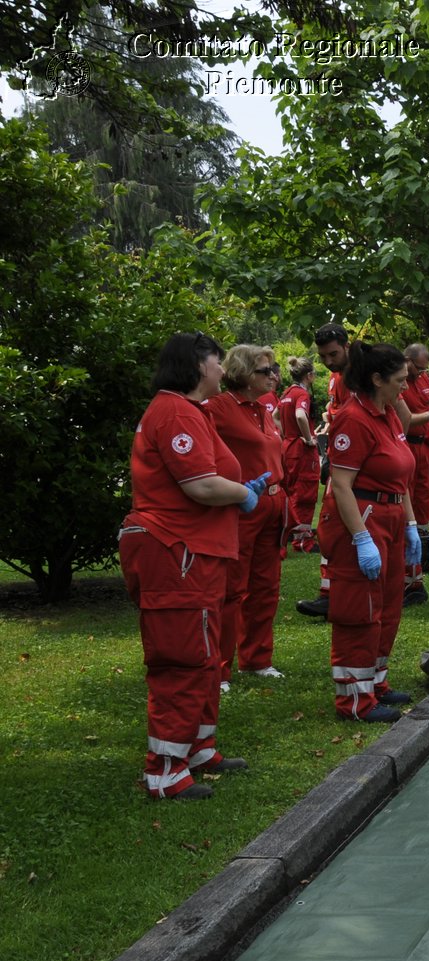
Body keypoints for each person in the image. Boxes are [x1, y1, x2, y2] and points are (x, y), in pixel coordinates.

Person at [121, 332, 267, 799]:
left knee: (204, 655)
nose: (223, 370)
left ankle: (197, 747)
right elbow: (201, 486)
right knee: (182, 658)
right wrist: (244, 493)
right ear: (196, 365)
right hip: (175, 553)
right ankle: (164, 771)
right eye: (216, 361)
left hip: (194, 553)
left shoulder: (191, 412)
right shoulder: (176, 412)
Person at [320, 341, 420, 723]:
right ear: (377, 379)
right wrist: (361, 538)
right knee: (360, 609)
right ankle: (354, 699)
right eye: (399, 381)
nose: (405, 388)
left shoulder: (387, 414)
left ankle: (376, 683)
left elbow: (400, 476)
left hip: (391, 516)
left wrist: (410, 524)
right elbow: (341, 484)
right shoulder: (353, 419)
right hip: (362, 518)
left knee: (389, 606)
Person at [209, 344, 292, 690]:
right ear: (242, 373)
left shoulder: (263, 409)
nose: (273, 376)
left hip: (273, 506)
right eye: (264, 370)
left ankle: (257, 659)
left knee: (266, 587)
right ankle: (220, 667)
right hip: (243, 507)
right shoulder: (217, 408)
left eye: (273, 370)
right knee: (232, 589)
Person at [295, 323, 354, 619]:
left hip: (356, 463)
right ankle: (331, 594)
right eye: (323, 357)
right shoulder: (336, 377)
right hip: (339, 457)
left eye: (333, 354)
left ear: (346, 345)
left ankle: (343, 594)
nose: (329, 361)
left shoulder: (360, 376)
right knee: (330, 528)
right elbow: (335, 415)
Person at [396, 343, 429, 605]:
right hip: (406, 443)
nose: (422, 373)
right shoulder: (397, 381)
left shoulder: (420, 378)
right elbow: (405, 419)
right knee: (405, 505)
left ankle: (419, 562)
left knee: (421, 502)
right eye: (419, 367)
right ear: (406, 360)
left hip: (420, 448)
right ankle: (408, 572)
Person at [279, 357, 321, 553]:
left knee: (291, 490)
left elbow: (274, 418)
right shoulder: (302, 395)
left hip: (287, 446)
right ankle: (303, 541)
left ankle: (289, 534)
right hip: (301, 449)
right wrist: (308, 438)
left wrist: (286, 434)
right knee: (304, 493)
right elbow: (300, 415)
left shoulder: (286, 393)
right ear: (309, 375)